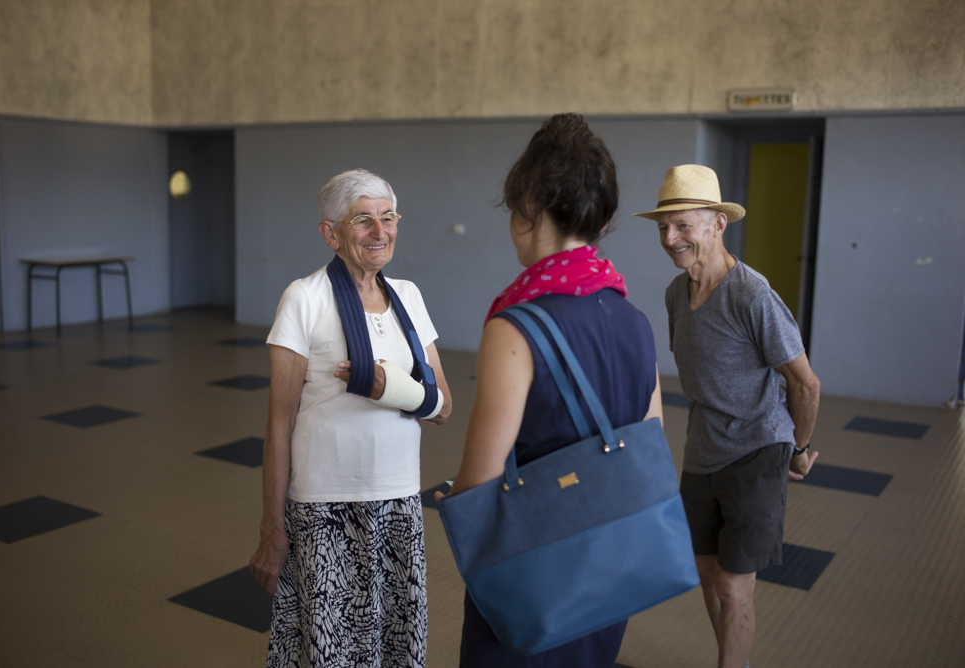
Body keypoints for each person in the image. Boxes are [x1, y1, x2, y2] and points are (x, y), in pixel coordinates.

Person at [436, 113, 664, 667]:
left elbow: (480, 485)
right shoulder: (634, 317)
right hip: (609, 567)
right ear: (600, 219)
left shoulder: (515, 327)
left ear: (528, 206)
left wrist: (451, 497)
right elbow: (650, 445)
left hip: (536, 571)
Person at [249, 169, 453, 668]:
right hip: (324, 510)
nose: (380, 232)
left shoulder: (408, 296)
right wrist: (272, 532)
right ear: (330, 232)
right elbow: (279, 424)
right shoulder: (305, 298)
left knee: (393, 646)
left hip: (399, 507)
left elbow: (442, 406)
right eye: (363, 220)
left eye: (388, 218)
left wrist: (394, 390)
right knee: (329, 650)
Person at [634, 164, 821, 668]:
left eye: (683, 226)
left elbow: (804, 383)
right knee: (707, 573)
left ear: (718, 224)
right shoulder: (676, 294)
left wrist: (797, 449)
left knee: (736, 586)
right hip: (703, 451)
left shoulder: (752, 294)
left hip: (758, 448)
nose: (670, 239)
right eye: (662, 227)